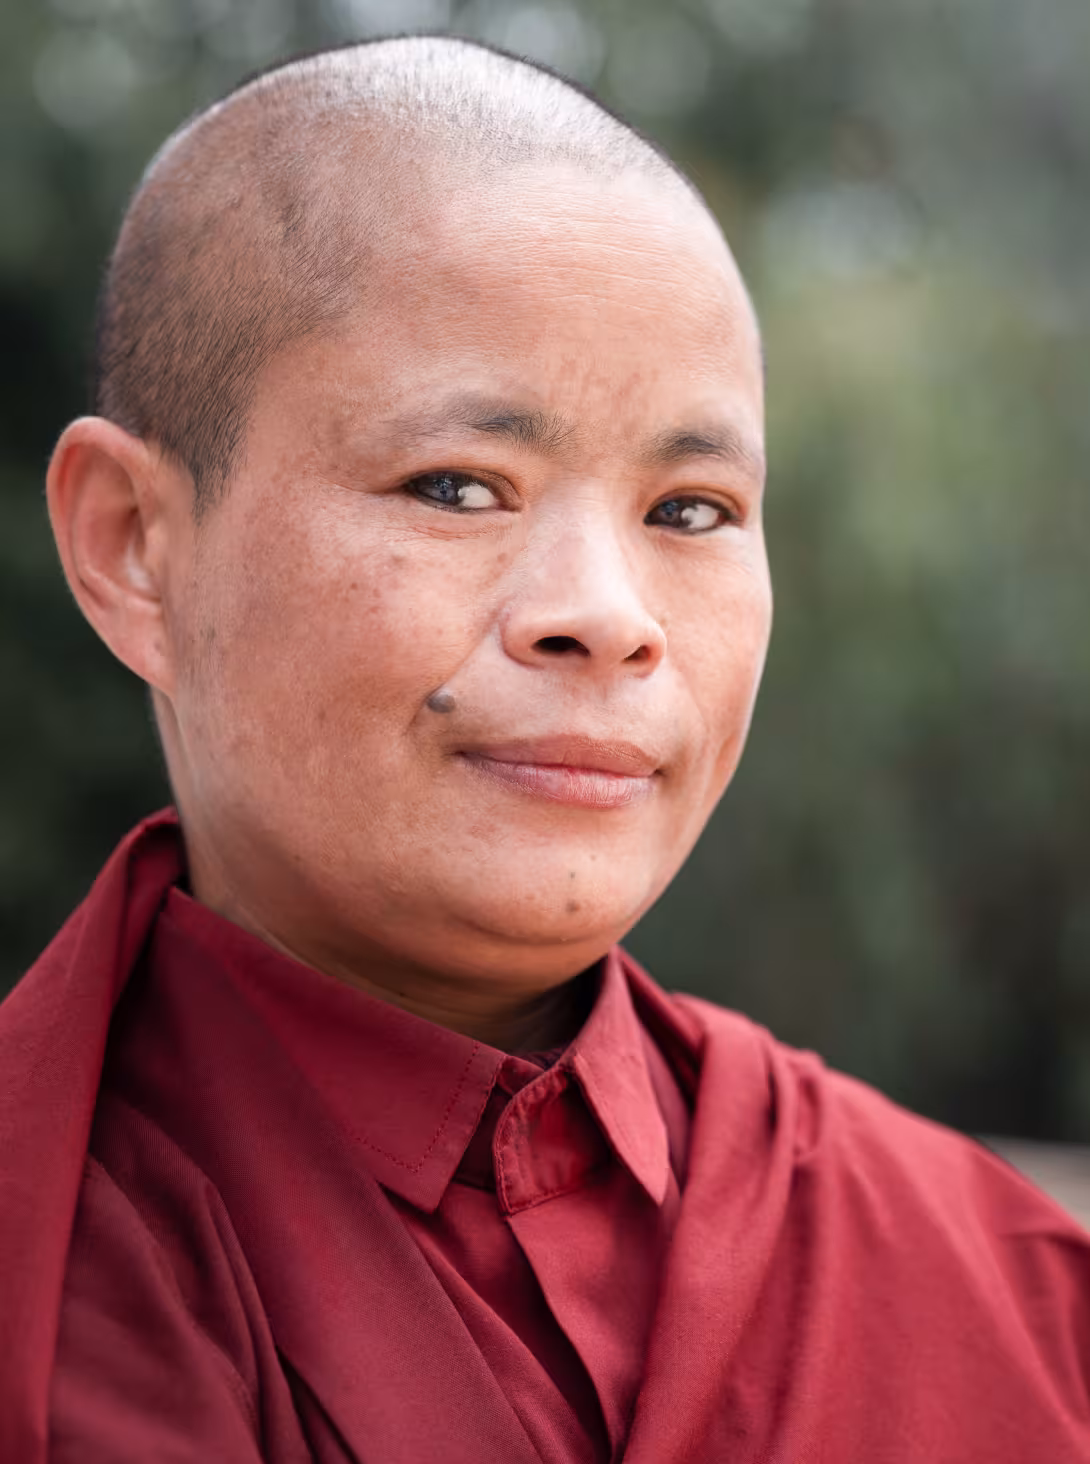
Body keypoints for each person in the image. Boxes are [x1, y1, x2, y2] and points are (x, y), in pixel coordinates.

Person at [0, 34, 1087, 1464]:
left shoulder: (1008, 1292)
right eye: (457, 487)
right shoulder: (50, 1265)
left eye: (690, 510)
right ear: (136, 545)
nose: (607, 617)